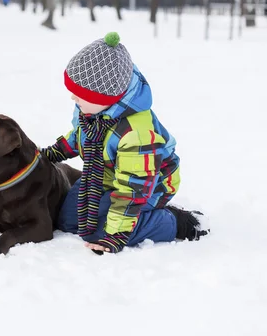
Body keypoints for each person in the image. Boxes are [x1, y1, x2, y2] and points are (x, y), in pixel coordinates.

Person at [40, 32, 208, 255]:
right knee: (70, 220)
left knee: (96, 232)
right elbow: (81, 135)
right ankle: (127, 218)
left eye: (80, 94)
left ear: (106, 98)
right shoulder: (91, 109)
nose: (74, 98)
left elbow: (132, 189)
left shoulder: (136, 133)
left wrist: (116, 235)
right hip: (107, 176)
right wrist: (52, 153)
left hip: (149, 184)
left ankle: (171, 222)